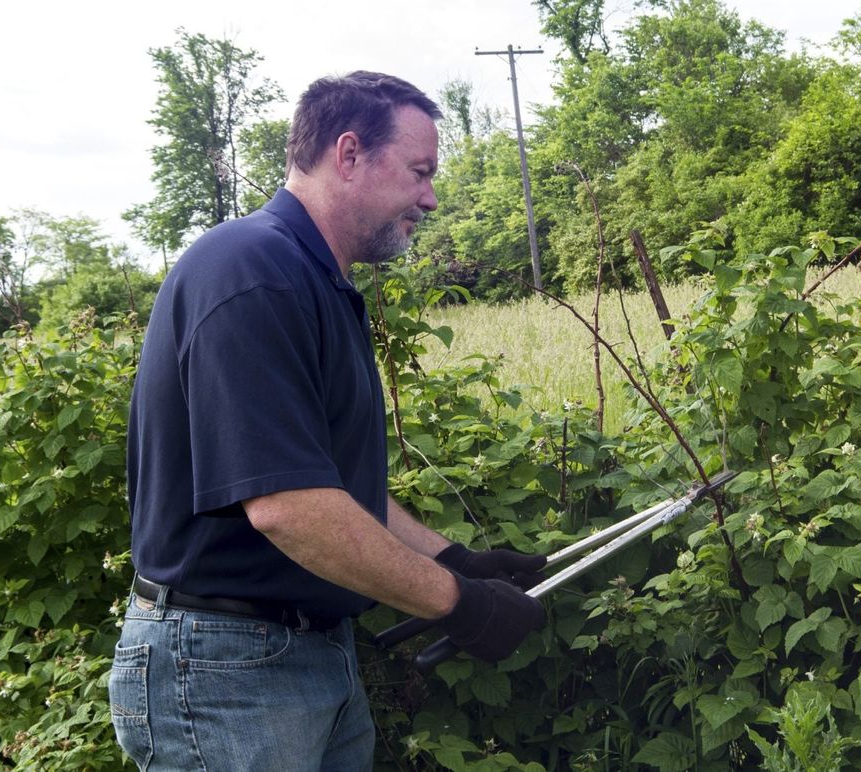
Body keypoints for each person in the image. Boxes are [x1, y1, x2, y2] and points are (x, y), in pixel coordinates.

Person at [108, 71, 547, 771]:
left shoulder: (314, 280)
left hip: (299, 654)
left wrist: (452, 561)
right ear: (349, 154)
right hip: (227, 670)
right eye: (419, 172)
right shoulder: (251, 271)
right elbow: (290, 508)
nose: (430, 198)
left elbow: (330, 484)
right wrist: (458, 603)